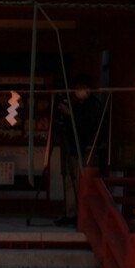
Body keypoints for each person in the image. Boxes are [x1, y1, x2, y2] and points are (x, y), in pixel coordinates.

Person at [54, 74, 103, 225]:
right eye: (77, 88)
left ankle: (84, 213)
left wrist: (71, 114)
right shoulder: (76, 106)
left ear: (88, 89)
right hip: (73, 148)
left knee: (84, 182)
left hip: (87, 148)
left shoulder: (94, 106)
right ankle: (71, 212)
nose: (78, 91)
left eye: (81, 88)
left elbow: (88, 124)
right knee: (70, 180)